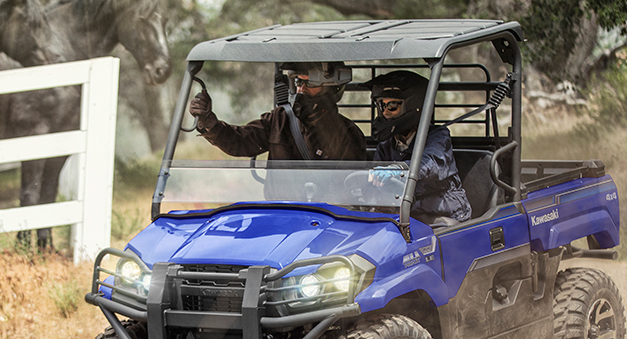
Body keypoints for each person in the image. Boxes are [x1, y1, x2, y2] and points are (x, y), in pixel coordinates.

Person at [188, 62, 366, 161]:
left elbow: (350, 189)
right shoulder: (279, 120)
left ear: (331, 88)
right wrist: (209, 122)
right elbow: (240, 142)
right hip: (281, 214)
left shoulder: (348, 134)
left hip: (325, 217)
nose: (301, 89)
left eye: (309, 83)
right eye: (298, 82)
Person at [368, 70, 471, 224]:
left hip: (443, 214)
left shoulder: (438, 136)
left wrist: (397, 170)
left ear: (414, 105)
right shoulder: (386, 145)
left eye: (392, 105)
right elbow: (376, 184)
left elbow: (431, 164)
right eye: (381, 105)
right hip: (406, 215)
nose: (385, 113)